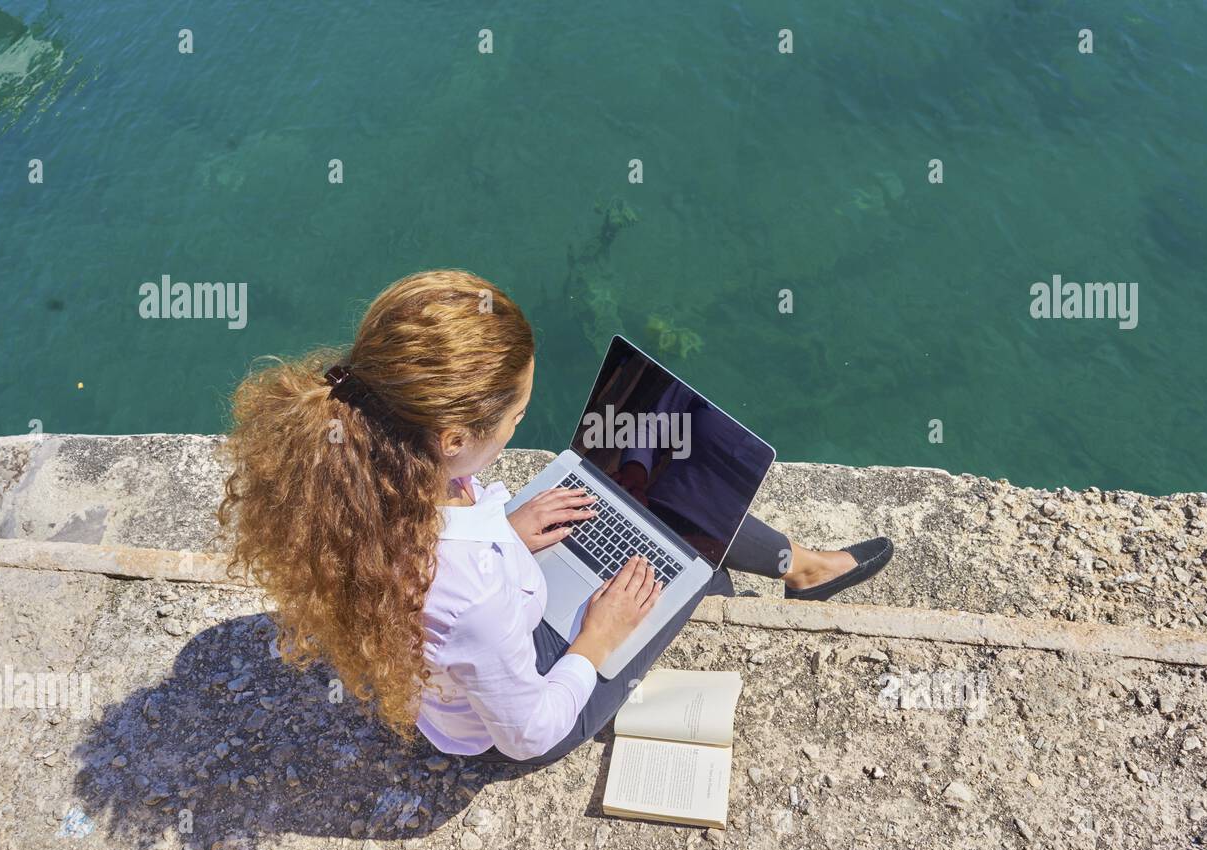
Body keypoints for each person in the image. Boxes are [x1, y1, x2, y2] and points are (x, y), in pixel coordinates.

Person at [217, 269, 893, 768]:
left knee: (644, 510)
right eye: (514, 418)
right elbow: (528, 732)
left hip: (486, 638)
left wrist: (505, 530)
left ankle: (792, 564)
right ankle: (782, 569)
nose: (517, 426)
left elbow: (442, 583)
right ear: (452, 438)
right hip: (514, 711)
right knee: (683, 550)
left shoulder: (373, 470)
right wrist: (595, 642)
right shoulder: (471, 585)